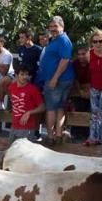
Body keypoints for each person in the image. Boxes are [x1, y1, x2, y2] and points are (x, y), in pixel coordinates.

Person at [38, 16, 76, 144]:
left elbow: (65, 60)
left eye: (56, 26)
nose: (53, 29)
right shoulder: (55, 40)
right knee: (59, 107)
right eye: (51, 26)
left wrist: (54, 78)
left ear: (62, 27)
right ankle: (58, 134)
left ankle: (50, 136)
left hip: (58, 80)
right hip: (59, 79)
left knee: (50, 108)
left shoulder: (63, 40)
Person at [8, 66, 44, 142]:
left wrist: (29, 112)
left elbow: (42, 107)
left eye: (26, 74)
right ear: (16, 75)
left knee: (23, 153)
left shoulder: (32, 89)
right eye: (22, 74)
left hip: (27, 127)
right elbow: (12, 99)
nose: (25, 77)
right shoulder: (12, 87)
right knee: (11, 150)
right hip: (14, 125)